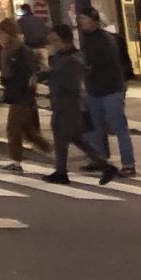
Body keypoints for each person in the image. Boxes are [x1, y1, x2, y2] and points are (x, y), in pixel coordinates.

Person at [43, 23, 112, 185]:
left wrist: (47, 76)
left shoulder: (73, 59)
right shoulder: (62, 57)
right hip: (62, 102)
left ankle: (63, 171)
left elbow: (69, 82)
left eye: (55, 41)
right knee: (72, 138)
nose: (53, 45)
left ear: (65, 40)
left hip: (69, 103)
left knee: (64, 137)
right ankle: (104, 166)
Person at [75, 7, 134, 176]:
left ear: (94, 20)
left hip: (111, 88)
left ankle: (128, 163)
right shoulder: (86, 39)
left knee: (118, 127)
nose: (82, 22)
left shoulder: (106, 39)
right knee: (95, 127)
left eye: (85, 19)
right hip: (94, 88)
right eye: (81, 19)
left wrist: (86, 68)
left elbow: (107, 64)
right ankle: (99, 159)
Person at [0, 22, 40, 171]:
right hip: (17, 95)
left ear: (8, 34)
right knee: (27, 131)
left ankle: (16, 161)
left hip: (22, 96)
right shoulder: (9, 51)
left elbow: (26, 74)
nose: (0, 38)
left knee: (14, 129)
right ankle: (50, 150)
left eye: (1, 34)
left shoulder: (20, 51)